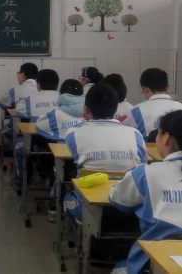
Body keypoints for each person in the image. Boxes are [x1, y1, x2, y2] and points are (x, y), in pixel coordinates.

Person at [109, 110, 182, 274]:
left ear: (166, 138)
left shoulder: (146, 173)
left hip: (154, 261)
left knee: (118, 269)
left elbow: (117, 199)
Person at [63, 83, 147, 221]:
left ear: (86, 109)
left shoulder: (73, 134)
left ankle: (80, 234)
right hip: (129, 210)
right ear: (116, 108)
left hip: (88, 207)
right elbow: (142, 162)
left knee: (66, 199)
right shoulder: (135, 134)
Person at [122, 68, 182, 141]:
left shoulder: (136, 111)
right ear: (167, 88)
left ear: (146, 90)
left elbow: (126, 136)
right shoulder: (180, 107)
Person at [0, 62, 39, 149]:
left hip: (20, 127)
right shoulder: (41, 89)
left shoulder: (15, 89)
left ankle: (17, 148)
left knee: (5, 130)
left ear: (23, 75)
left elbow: (2, 105)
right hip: (41, 127)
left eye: (18, 73)